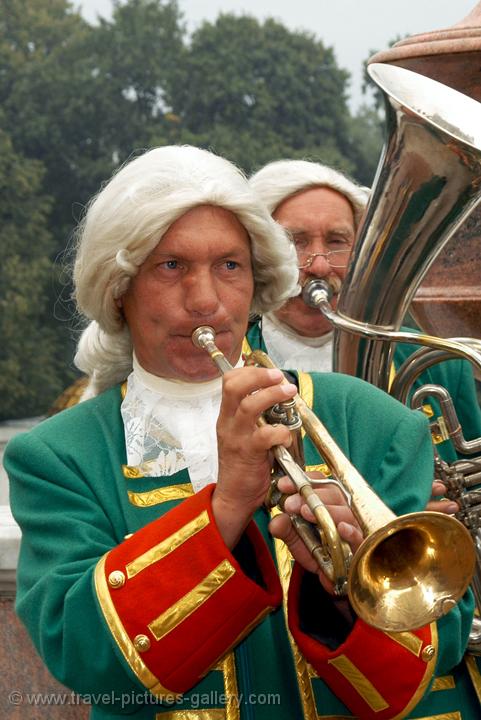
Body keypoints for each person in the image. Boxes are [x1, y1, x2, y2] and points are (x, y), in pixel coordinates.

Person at [4, 146, 474, 720]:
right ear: (119, 289)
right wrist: (226, 508)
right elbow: (85, 658)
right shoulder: (58, 455)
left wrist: (340, 584)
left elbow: (426, 663)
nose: (205, 302)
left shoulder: (375, 422)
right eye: (171, 266)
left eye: (229, 266)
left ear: (257, 282)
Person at [248, 159, 481, 469]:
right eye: (295, 242)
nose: (320, 266)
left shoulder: (438, 361)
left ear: (361, 251)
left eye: (336, 241)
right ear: (263, 254)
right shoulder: (230, 367)